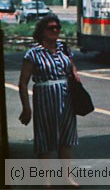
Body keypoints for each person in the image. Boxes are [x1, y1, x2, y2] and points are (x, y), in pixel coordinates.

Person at [18, 14, 80, 159]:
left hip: (66, 97)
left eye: (57, 27)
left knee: (67, 137)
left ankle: (66, 177)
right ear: (42, 31)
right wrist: (26, 108)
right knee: (45, 138)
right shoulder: (33, 53)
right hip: (44, 98)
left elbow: (71, 66)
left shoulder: (63, 48)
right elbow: (23, 83)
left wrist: (75, 73)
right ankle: (46, 180)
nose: (55, 30)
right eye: (51, 28)